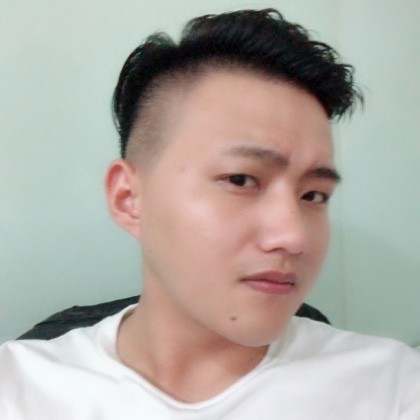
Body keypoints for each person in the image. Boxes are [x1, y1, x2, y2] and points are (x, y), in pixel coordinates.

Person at [0, 8, 419, 419]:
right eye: (240, 179)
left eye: (313, 195)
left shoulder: (391, 387)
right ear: (129, 198)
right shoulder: (20, 389)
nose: (293, 237)